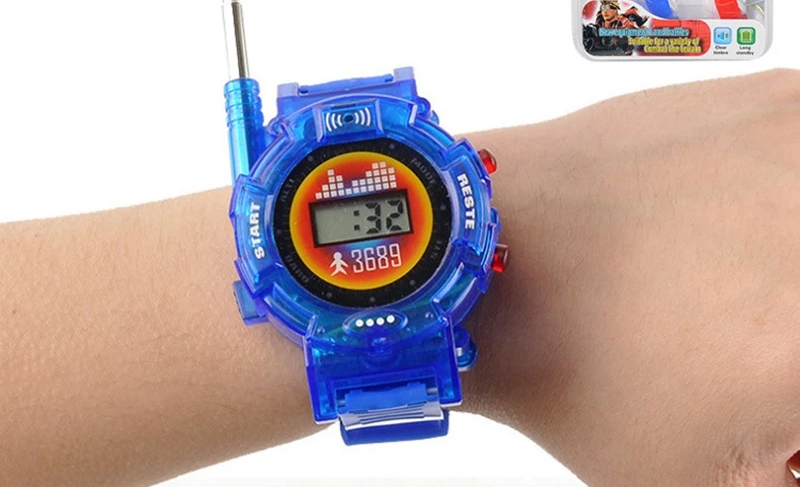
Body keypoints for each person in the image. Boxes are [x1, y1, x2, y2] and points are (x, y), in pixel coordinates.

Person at [3, 69, 800, 486]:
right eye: (357, 223)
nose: (370, 229)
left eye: (380, 219)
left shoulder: (443, 208)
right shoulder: (281, 253)